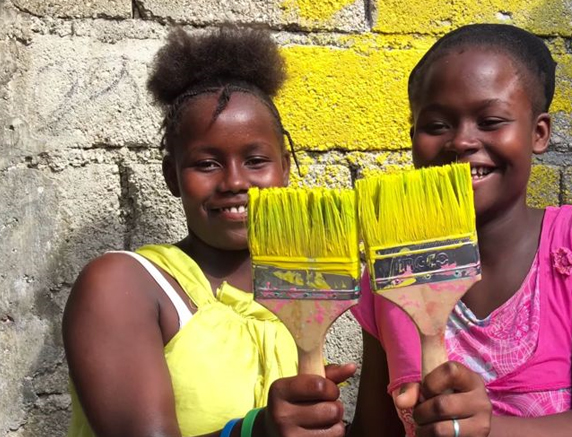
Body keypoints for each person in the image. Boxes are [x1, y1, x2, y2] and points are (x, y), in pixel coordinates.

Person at [349, 24, 572, 437]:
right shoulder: (392, 271)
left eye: (491, 121)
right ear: (413, 139)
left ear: (538, 133)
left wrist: (486, 430)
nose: (462, 142)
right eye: (437, 125)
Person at [63, 25, 355, 437]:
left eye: (256, 161)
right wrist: (256, 430)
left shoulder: (301, 293)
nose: (234, 181)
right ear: (172, 176)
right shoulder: (123, 285)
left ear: (285, 169)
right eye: (206, 164)